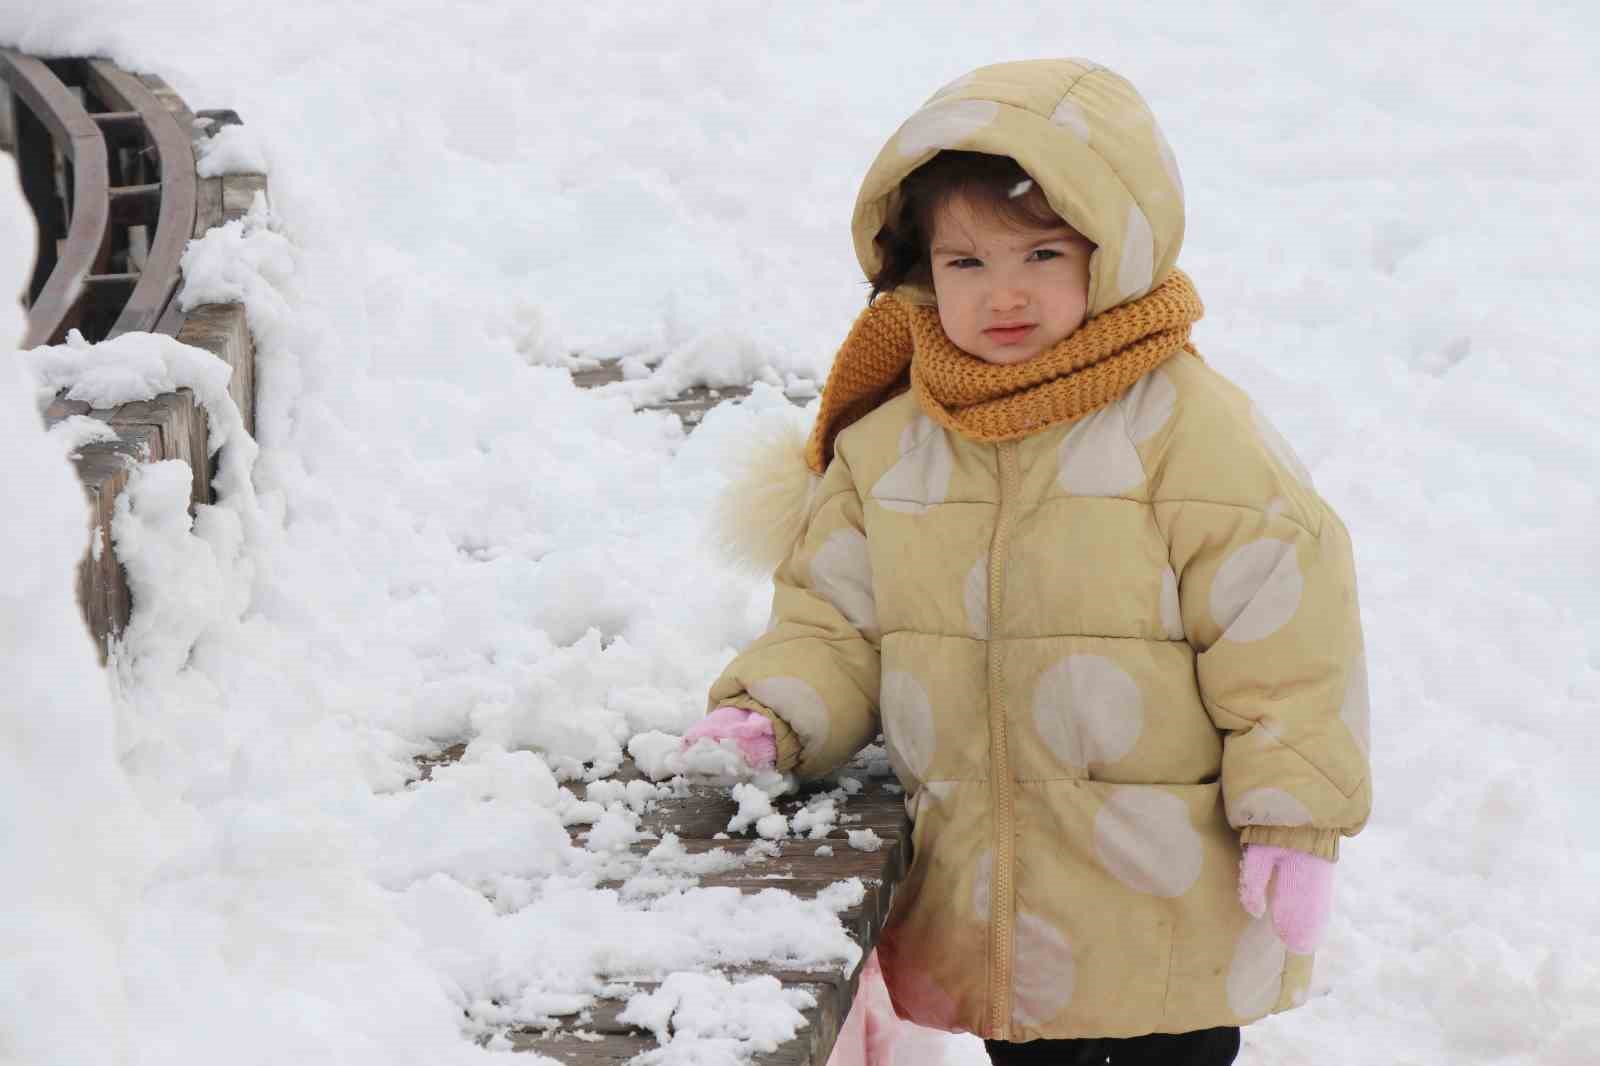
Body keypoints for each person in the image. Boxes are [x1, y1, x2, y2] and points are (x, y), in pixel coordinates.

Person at [683, 58, 1372, 1066]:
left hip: (1163, 900)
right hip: (1003, 912)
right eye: (964, 263)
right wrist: (776, 708)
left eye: (1040, 253)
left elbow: (1285, 632)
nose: (1001, 294)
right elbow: (836, 620)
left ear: (1115, 250)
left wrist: (1295, 819)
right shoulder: (892, 447)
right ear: (919, 270)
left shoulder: (1191, 434)